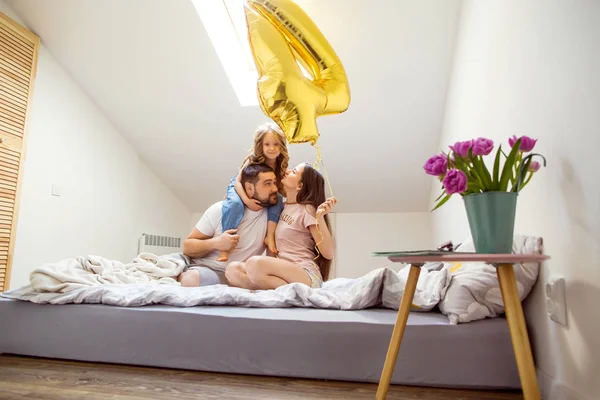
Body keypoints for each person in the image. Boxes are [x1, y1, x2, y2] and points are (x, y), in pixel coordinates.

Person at [225, 163, 337, 290]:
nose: (288, 171)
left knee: (254, 264)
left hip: (304, 274)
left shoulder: (307, 209)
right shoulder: (280, 207)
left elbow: (328, 253)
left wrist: (320, 217)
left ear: (300, 185)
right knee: (232, 270)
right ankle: (285, 292)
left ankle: (298, 293)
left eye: (294, 172)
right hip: (281, 275)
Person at [178, 163, 279, 287]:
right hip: (209, 269)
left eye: (274, 182)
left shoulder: (273, 218)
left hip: (239, 274)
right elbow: (187, 247)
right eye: (267, 184)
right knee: (190, 279)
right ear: (249, 188)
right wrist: (217, 243)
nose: (275, 189)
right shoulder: (220, 209)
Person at [218, 122, 289, 262]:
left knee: (278, 199)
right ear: (260, 145)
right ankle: (224, 248)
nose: (272, 148)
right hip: (240, 186)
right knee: (235, 205)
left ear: (281, 146)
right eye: (267, 144)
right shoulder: (253, 159)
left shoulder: (280, 164)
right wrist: (247, 200)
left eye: (276, 144)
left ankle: (270, 236)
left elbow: (278, 187)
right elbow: (238, 182)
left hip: (259, 189)